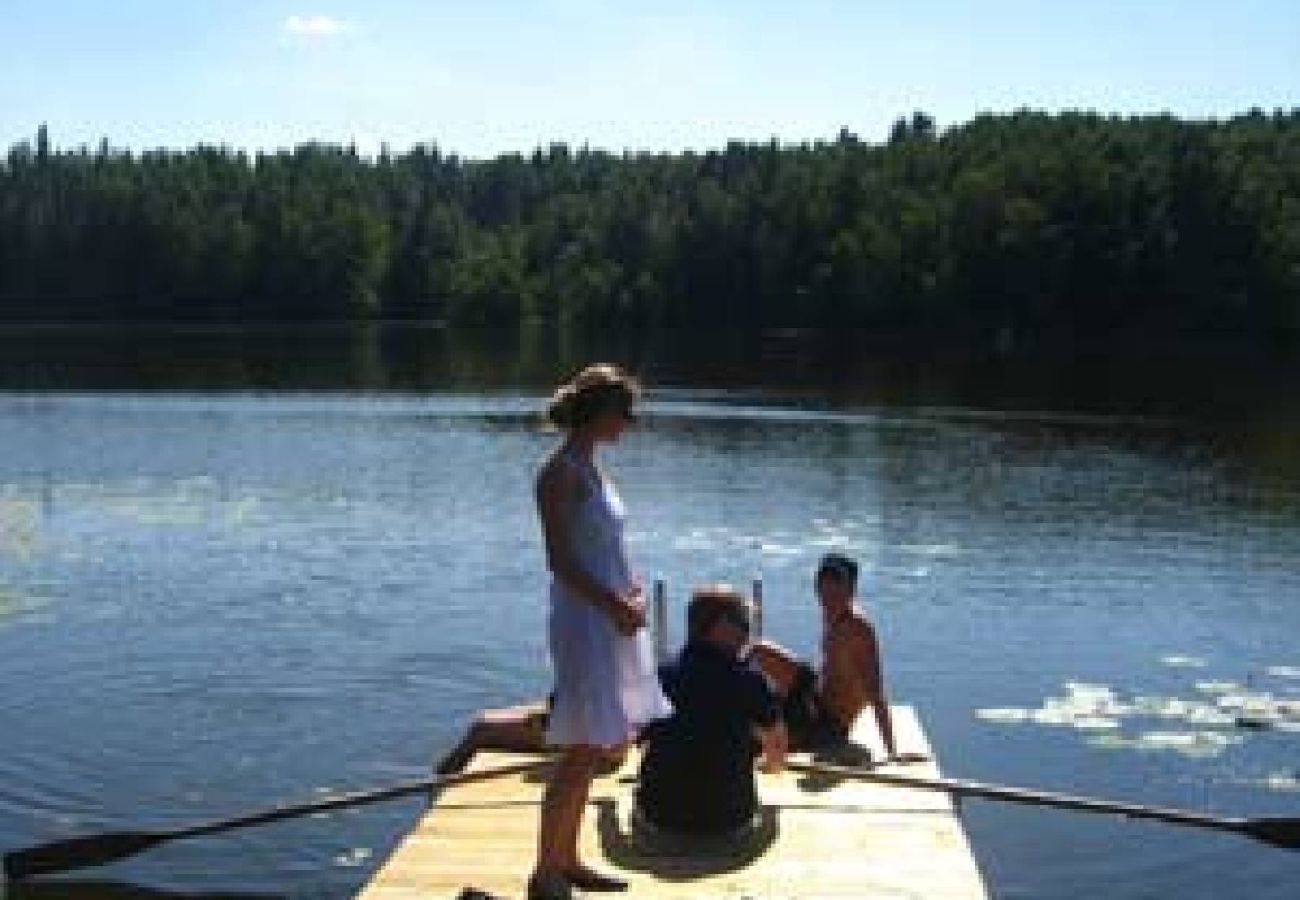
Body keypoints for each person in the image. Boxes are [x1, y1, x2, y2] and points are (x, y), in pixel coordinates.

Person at [528, 363, 673, 900]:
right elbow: (560, 560)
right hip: (585, 619)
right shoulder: (559, 473)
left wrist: (631, 592)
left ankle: (568, 859)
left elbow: (608, 549)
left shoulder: (595, 471)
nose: (629, 424)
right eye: (624, 413)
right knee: (584, 745)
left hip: (611, 615)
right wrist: (614, 604)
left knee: (596, 746)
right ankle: (546, 870)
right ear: (600, 411)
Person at [634, 585, 786, 845]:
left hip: (661, 820)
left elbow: (623, 742)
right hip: (730, 822)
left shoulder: (659, 677)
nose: (747, 632)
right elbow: (777, 744)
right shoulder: (751, 680)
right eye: (742, 623)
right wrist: (771, 768)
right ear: (721, 627)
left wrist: (606, 813)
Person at [749, 553, 927, 764]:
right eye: (823, 585)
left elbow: (875, 691)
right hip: (816, 700)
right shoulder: (831, 616)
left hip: (829, 725)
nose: (827, 593)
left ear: (851, 590)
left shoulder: (858, 630)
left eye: (836, 586)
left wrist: (892, 752)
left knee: (755, 729)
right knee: (760, 652)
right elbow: (829, 670)